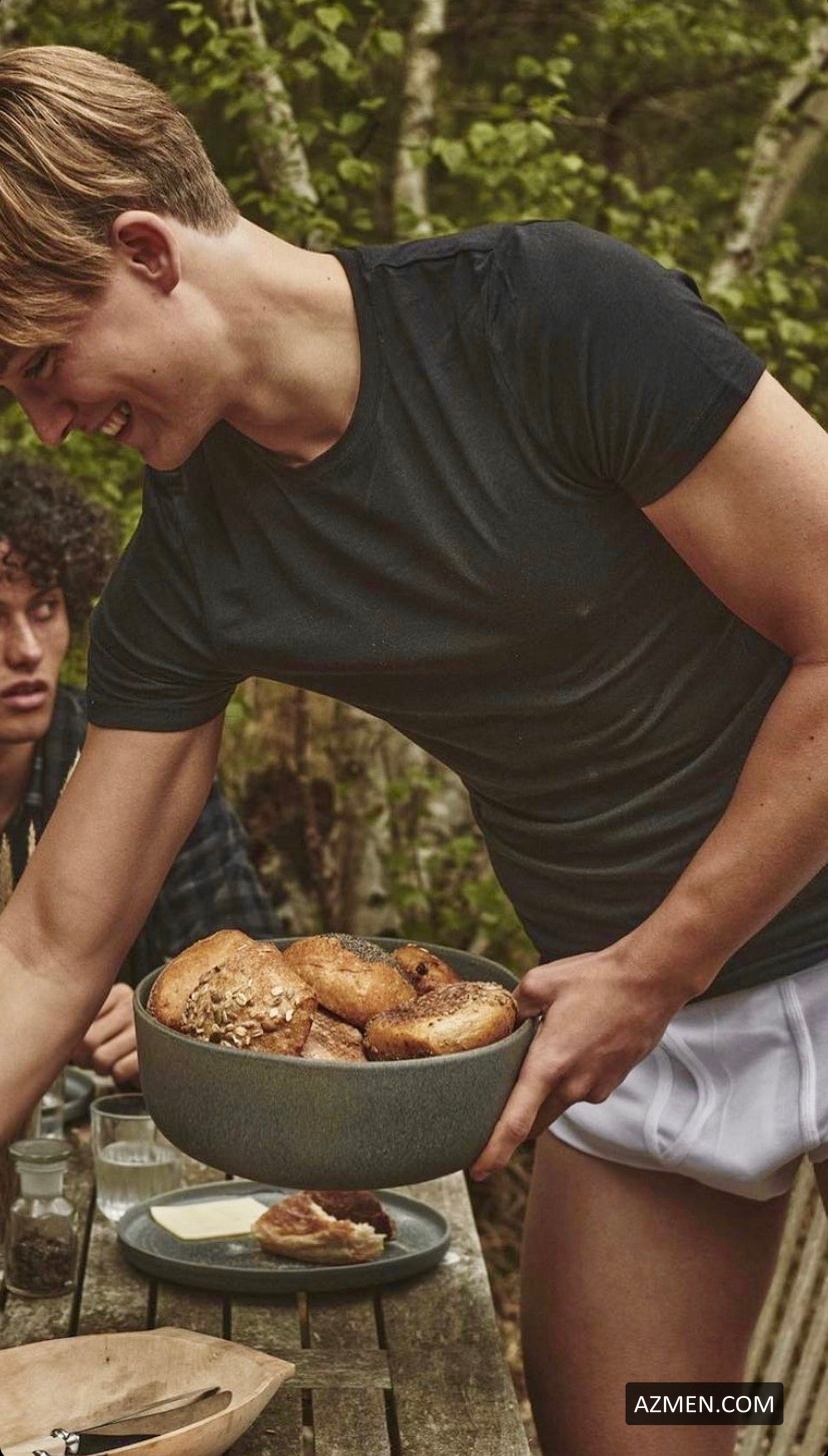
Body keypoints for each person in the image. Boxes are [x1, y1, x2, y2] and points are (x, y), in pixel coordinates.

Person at [0, 43, 827, 1456]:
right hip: (635, 1036)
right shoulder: (188, 572)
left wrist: (659, 964)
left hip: (666, 969)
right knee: (648, 1434)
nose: (48, 422)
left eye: (40, 363)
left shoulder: (550, 314)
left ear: (144, 250)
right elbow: (45, 953)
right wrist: (642, 986)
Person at [0, 454, 280, 1086]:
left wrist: (159, 1019)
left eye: (44, 609)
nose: (26, 650)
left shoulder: (130, 752)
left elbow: (249, 960)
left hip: (120, 1127)